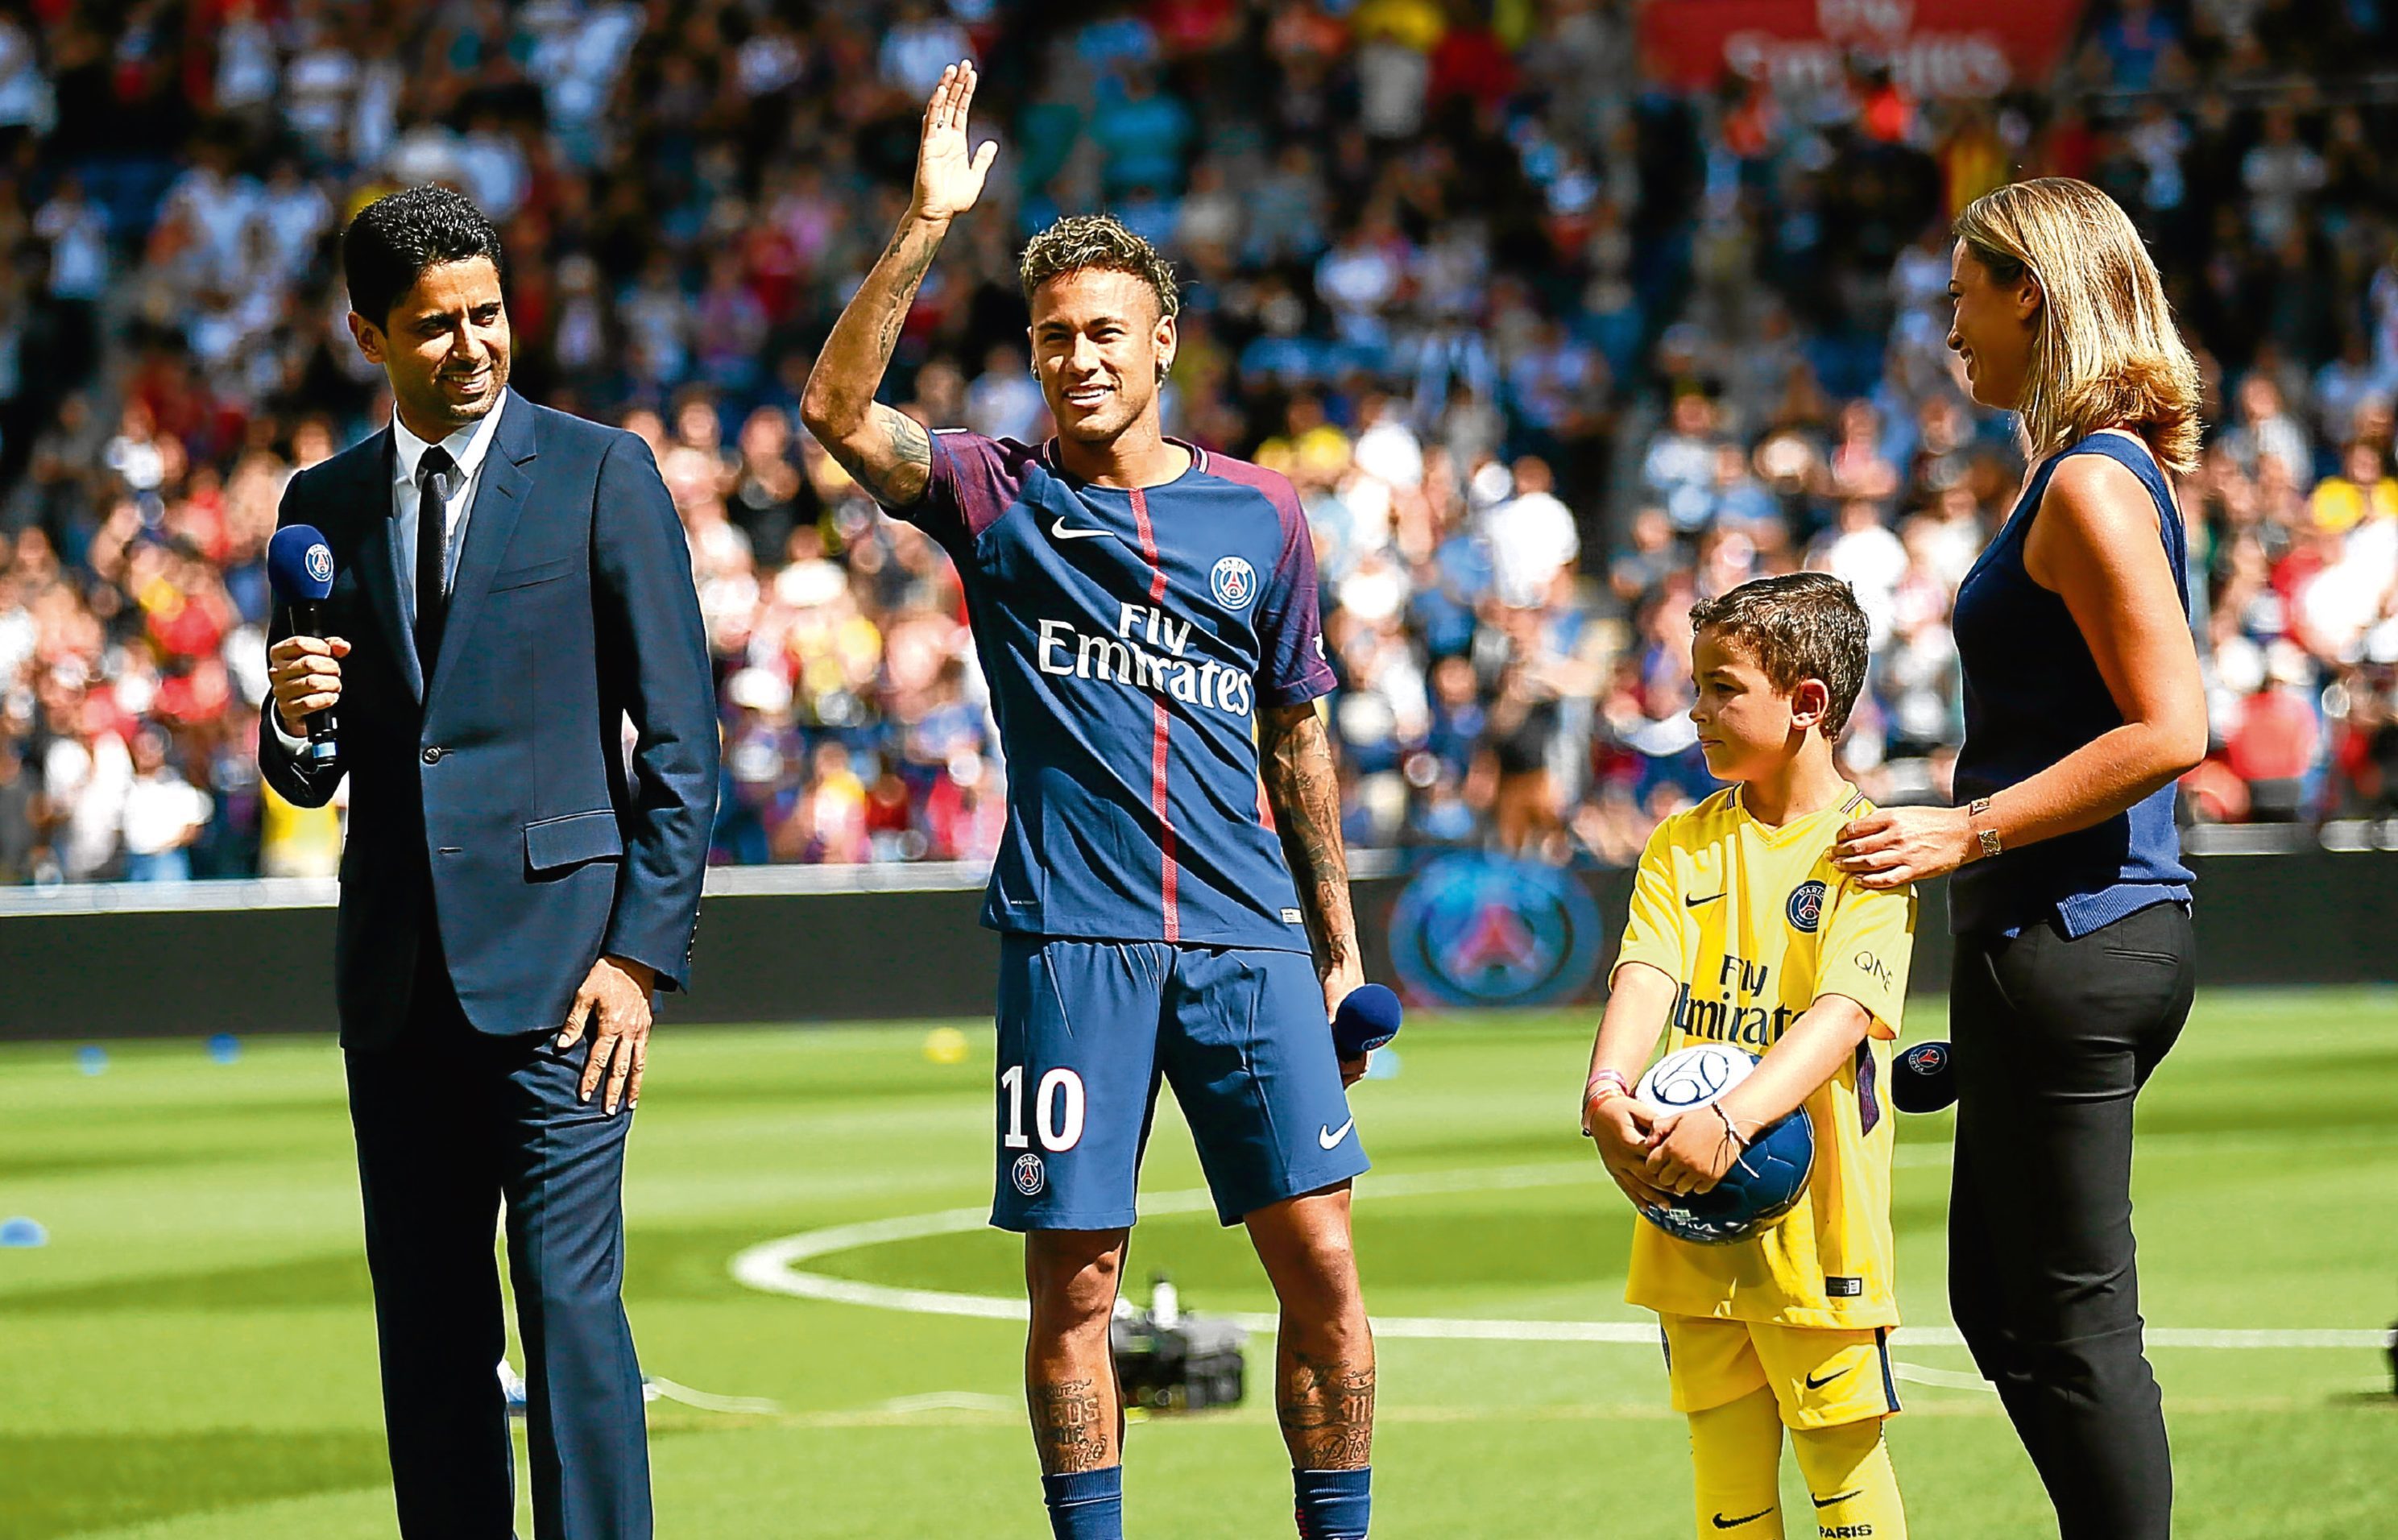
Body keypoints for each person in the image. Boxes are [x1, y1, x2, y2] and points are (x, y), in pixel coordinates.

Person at [800, 65, 1376, 1540]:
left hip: (1249, 940)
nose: (1077, 359)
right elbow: (835, 405)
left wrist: (1341, 943)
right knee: (1075, 1285)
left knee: (1321, 1269)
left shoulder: (1265, 513)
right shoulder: (992, 494)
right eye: (1054, 338)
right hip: (1073, 938)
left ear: (1162, 344)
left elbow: (1295, 735)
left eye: (1105, 333)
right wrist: (928, 226)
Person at [259, 185, 717, 1540]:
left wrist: (638, 956)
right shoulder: (317, 504)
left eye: (488, 314)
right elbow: (307, 769)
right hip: (396, 993)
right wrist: (289, 717)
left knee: (573, 1325)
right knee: (429, 1341)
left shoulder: (600, 471)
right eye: (434, 325)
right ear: (367, 336)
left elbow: (683, 738)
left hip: (572, 986)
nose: (471, 345)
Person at [1831, 177, 2209, 1540]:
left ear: (2030, 294)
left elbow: (2174, 726)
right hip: (2061, 946)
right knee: (1998, 1306)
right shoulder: (2096, 472)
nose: (1948, 334)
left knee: (2067, 1325)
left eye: (1960, 300)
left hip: (2072, 931)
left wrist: (1964, 826)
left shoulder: (2094, 483)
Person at [1583, 573, 1916, 1540]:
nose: (1695, 709)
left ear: (1807, 703)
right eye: (1695, 685)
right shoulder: (1682, 842)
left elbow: (1844, 1012)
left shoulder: (1867, 848)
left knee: (1840, 1470)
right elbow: (1643, 972)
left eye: (1722, 688)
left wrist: (1731, 1119)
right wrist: (1607, 1091)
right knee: (1724, 1483)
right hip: (1688, 1207)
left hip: (1819, 1225)